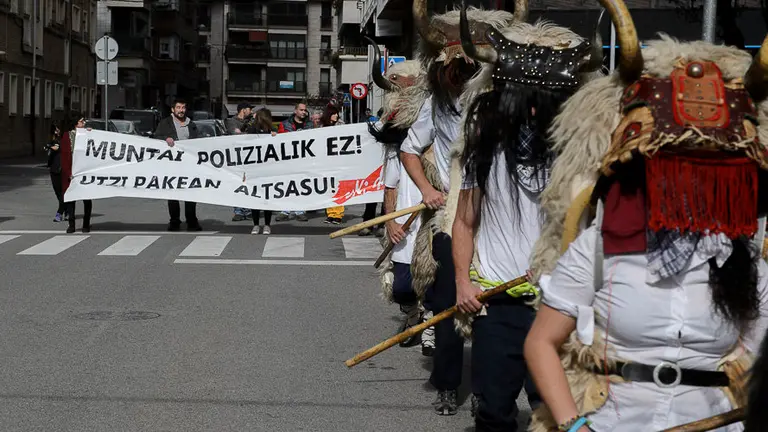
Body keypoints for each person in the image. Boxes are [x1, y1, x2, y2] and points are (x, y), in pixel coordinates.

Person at [523, 3, 768, 431]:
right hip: (613, 421)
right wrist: (572, 425)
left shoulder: (744, 256)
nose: (691, 183)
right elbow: (541, 342)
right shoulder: (602, 245)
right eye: (675, 167)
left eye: (708, 170)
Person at [454, 4, 599, 429]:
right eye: (525, 102)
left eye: (545, 103)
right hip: (496, 301)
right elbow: (464, 222)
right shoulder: (484, 149)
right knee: (493, 410)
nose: (534, 113)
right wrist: (462, 281)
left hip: (558, 305)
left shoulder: (582, 158)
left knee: (554, 414)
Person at [403, 0, 516, 415]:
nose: (464, 74)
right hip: (454, 213)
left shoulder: (508, 101)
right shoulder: (436, 104)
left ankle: (487, 391)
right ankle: (448, 384)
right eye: (456, 68)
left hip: (500, 216)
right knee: (450, 299)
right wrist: (425, 189)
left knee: (493, 306)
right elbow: (409, 150)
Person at [153, 98, 202, 232]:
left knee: (190, 193)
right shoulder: (165, 123)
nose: (181, 110)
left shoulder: (191, 124)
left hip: (189, 165)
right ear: (173, 109)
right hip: (172, 165)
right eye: (179, 107)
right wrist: (165, 139)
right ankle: (174, 221)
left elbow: (198, 141)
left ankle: (191, 221)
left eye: (183, 107)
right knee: (173, 194)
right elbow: (156, 138)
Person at [276, 102, 313, 222]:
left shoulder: (310, 125)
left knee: (302, 185)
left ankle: (300, 211)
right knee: (287, 185)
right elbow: (280, 141)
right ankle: (285, 210)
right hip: (288, 159)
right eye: (301, 110)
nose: (303, 112)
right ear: (295, 111)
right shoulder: (285, 124)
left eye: (305, 110)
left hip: (303, 159)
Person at [60, 113, 93, 233]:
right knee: (71, 198)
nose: (83, 123)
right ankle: (71, 224)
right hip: (71, 172)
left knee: (86, 198)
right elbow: (64, 156)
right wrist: (69, 172)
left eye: (83, 121)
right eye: (81, 121)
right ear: (75, 123)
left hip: (84, 171)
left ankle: (86, 224)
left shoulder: (87, 134)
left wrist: (92, 134)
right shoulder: (67, 136)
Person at [248, 108, 277, 235]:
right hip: (255, 169)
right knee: (255, 197)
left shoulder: (272, 130)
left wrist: (275, 137)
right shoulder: (251, 130)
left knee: (267, 198)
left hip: (268, 169)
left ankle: (266, 224)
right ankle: (256, 224)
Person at [227, 102, 255, 222]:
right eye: (249, 109)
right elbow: (236, 134)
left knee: (249, 182)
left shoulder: (252, 122)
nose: (251, 112)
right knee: (237, 183)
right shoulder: (231, 121)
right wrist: (248, 132)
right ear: (243, 110)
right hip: (236, 157)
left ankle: (248, 209)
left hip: (250, 157)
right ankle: (238, 211)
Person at [321, 106, 345, 225]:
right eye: (334, 114)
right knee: (329, 188)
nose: (336, 116)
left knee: (338, 188)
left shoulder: (342, 126)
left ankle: (338, 214)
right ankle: (330, 213)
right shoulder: (322, 127)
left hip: (338, 161)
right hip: (326, 161)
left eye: (337, 114)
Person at [46, 123, 66, 222]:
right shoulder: (53, 140)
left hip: (63, 169)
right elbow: (50, 151)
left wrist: (54, 147)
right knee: (57, 191)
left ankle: (60, 212)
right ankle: (66, 209)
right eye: (55, 129)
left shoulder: (64, 139)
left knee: (63, 192)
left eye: (58, 129)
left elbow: (59, 148)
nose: (56, 131)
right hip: (54, 169)